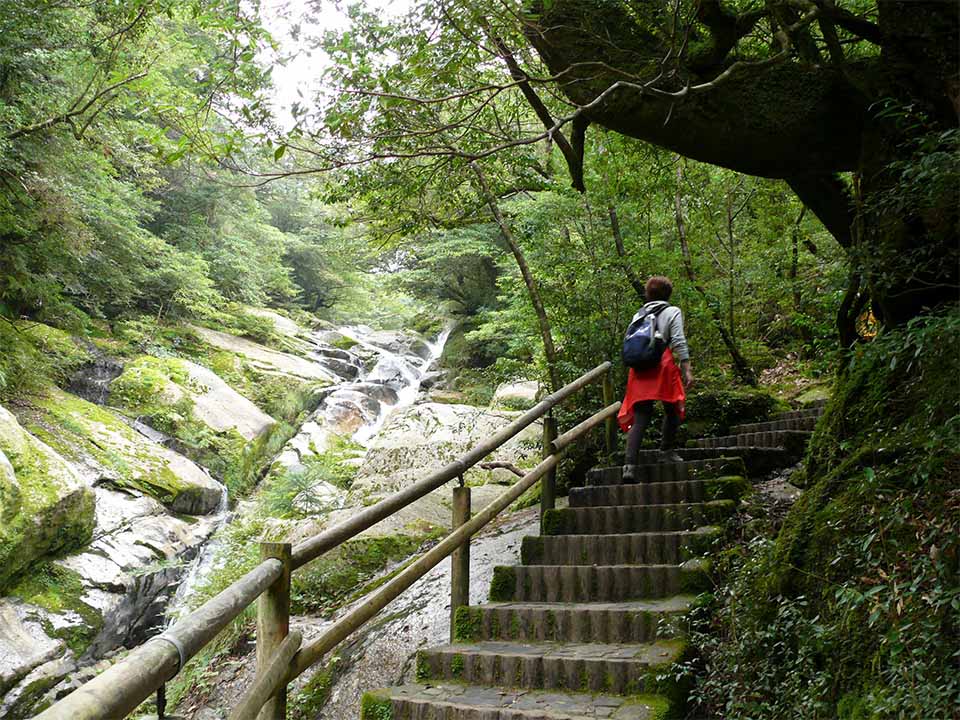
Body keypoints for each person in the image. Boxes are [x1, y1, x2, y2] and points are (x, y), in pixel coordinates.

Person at [618, 276, 694, 481]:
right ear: (668, 294)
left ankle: (629, 466)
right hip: (661, 364)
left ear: (648, 294)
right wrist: (686, 366)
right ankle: (666, 452)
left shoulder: (639, 314)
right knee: (672, 407)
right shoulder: (672, 311)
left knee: (641, 415)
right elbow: (677, 339)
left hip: (639, 369)